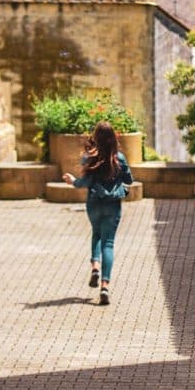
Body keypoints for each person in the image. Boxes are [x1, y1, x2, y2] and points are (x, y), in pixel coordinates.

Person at [63, 120, 133, 306]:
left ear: (96, 138)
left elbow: (85, 182)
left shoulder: (89, 157)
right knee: (108, 244)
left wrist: (72, 181)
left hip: (94, 203)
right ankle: (104, 287)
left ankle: (95, 266)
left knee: (96, 234)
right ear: (113, 138)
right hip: (113, 205)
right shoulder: (119, 158)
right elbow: (129, 180)